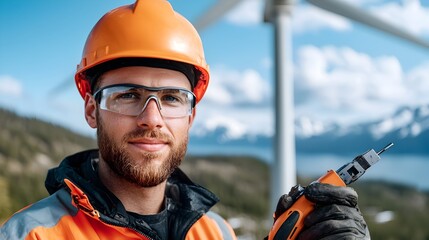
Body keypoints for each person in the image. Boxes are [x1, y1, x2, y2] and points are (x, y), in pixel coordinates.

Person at [1, 0, 370, 239]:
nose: (152, 118)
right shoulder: (29, 235)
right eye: (128, 95)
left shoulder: (217, 233)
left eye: (172, 98)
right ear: (91, 110)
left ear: (191, 116)